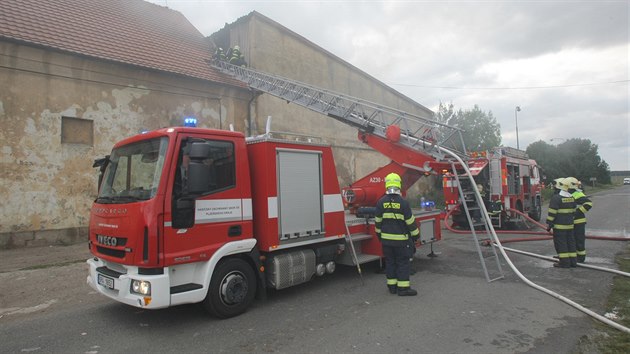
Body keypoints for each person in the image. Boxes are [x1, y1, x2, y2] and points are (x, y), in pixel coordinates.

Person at [374, 173, 420, 296]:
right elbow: (410, 222)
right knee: (402, 263)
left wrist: (380, 236)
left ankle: (392, 287)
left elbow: (377, 223)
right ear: (398, 185)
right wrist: (416, 236)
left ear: (387, 185)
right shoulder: (403, 203)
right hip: (401, 241)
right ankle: (403, 289)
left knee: (390, 262)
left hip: (386, 241)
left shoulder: (380, 202)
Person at [546, 178, 577, 268]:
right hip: (570, 226)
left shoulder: (556, 198)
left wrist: (549, 223)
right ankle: (573, 262)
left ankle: (564, 263)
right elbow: (574, 212)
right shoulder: (571, 198)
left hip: (559, 227)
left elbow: (552, 213)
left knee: (561, 244)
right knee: (570, 243)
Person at [565, 177, 593, 263]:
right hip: (569, 222)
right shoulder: (566, 194)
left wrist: (577, 212)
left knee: (578, 240)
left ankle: (580, 257)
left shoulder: (578, 194)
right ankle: (571, 256)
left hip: (578, 222)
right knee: (570, 240)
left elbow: (589, 203)